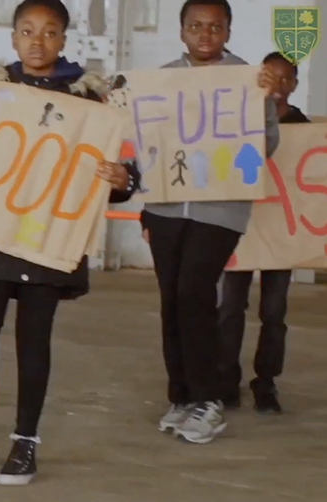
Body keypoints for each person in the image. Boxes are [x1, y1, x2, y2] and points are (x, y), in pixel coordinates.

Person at [0, 0, 141, 487]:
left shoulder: (90, 100)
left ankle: (25, 444)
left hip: (48, 241)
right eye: (27, 31)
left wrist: (122, 178)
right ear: (13, 38)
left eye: (50, 32)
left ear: (64, 39)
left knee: (33, 341)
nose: (38, 41)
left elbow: (123, 172)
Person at [140, 0, 280, 444]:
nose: (205, 35)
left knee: (194, 292)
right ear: (182, 31)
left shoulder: (248, 80)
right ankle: (181, 396)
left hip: (220, 209)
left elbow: (267, 143)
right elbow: (145, 143)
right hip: (165, 207)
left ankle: (209, 400)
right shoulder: (161, 79)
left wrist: (259, 106)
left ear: (228, 31)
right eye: (196, 26)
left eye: (215, 27)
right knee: (170, 299)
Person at [218, 51, 310, 414]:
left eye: (286, 78)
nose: (279, 84)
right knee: (229, 307)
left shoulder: (305, 128)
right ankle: (226, 378)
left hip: (282, 232)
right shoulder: (242, 117)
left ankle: (266, 381)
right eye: (272, 76)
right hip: (241, 225)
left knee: (274, 311)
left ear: (295, 85)